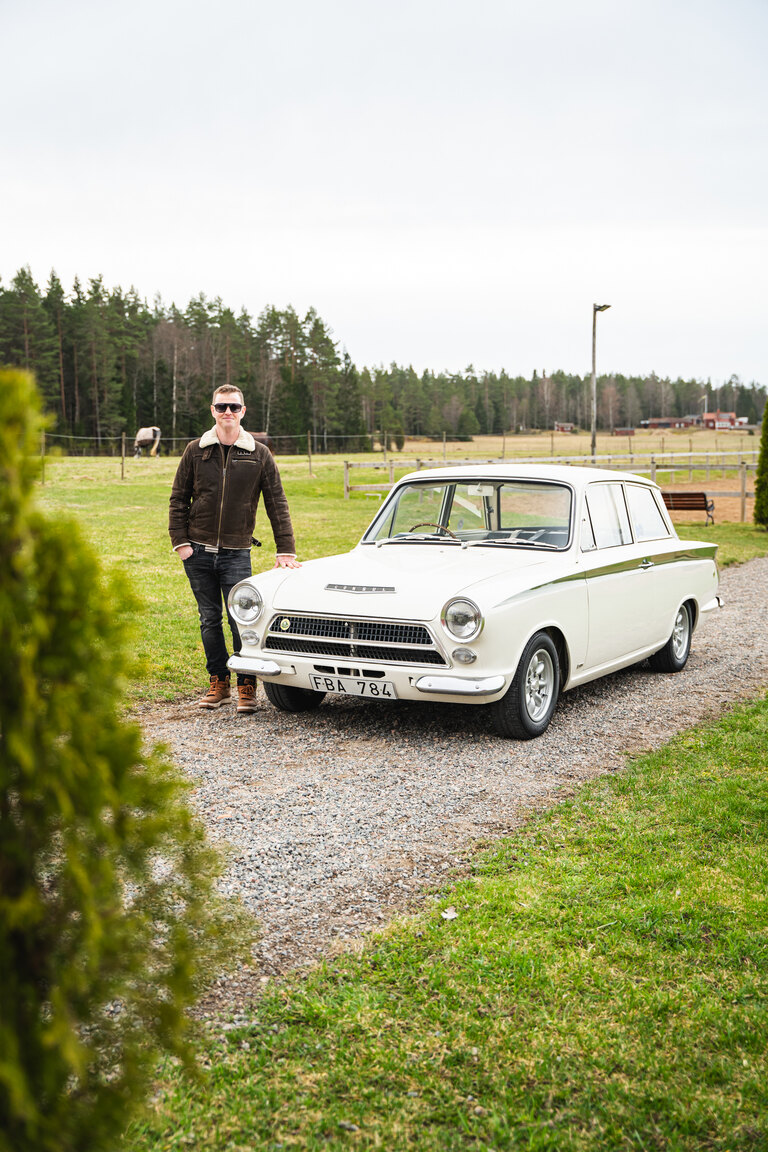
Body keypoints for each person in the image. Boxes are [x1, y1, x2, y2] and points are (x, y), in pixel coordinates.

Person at [169, 385, 300, 713]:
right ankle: (219, 683)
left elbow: (276, 502)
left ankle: (246, 686)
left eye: (233, 407)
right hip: (197, 552)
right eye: (221, 407)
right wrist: (181, 543)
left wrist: (285, 548)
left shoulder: (259, 454)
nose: (227, 412)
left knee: (241, 620)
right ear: (212, 410)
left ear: (243, 411)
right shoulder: (195, 451)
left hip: (237, 553)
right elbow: (178, 498)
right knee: (209, 619)